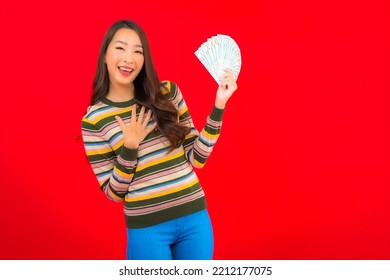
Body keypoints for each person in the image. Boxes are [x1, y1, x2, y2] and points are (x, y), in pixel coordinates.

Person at [81, 19, 237, 260]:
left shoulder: (168, 93)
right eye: (120, 48)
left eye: (138, 51)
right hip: (147, 228)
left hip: (194, 219)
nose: (128, 58)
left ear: (144, 60)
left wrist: (219, 105)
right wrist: (130, 148)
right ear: (105, 55)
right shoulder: (94, 120)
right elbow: (114, 193)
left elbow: (197, 158)